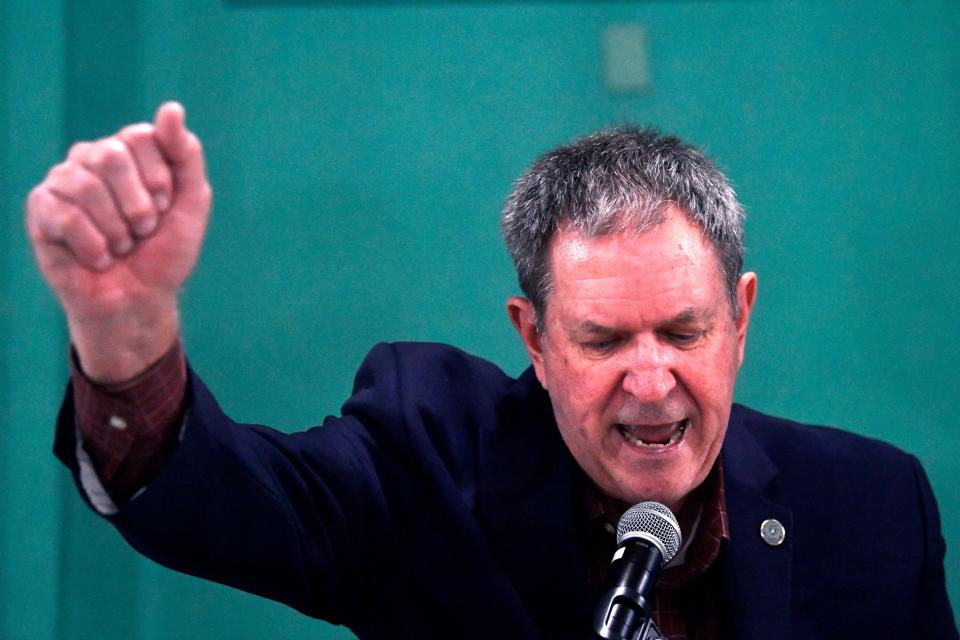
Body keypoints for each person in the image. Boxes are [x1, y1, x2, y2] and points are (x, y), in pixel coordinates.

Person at [27, 102, 957, 639]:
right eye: (602, 341)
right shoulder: (427, 456)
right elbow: (228, 500)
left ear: (741, 320)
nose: (649, 381)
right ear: (535, 341)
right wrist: (127, 328)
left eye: (683, 332)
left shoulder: (875, 510)